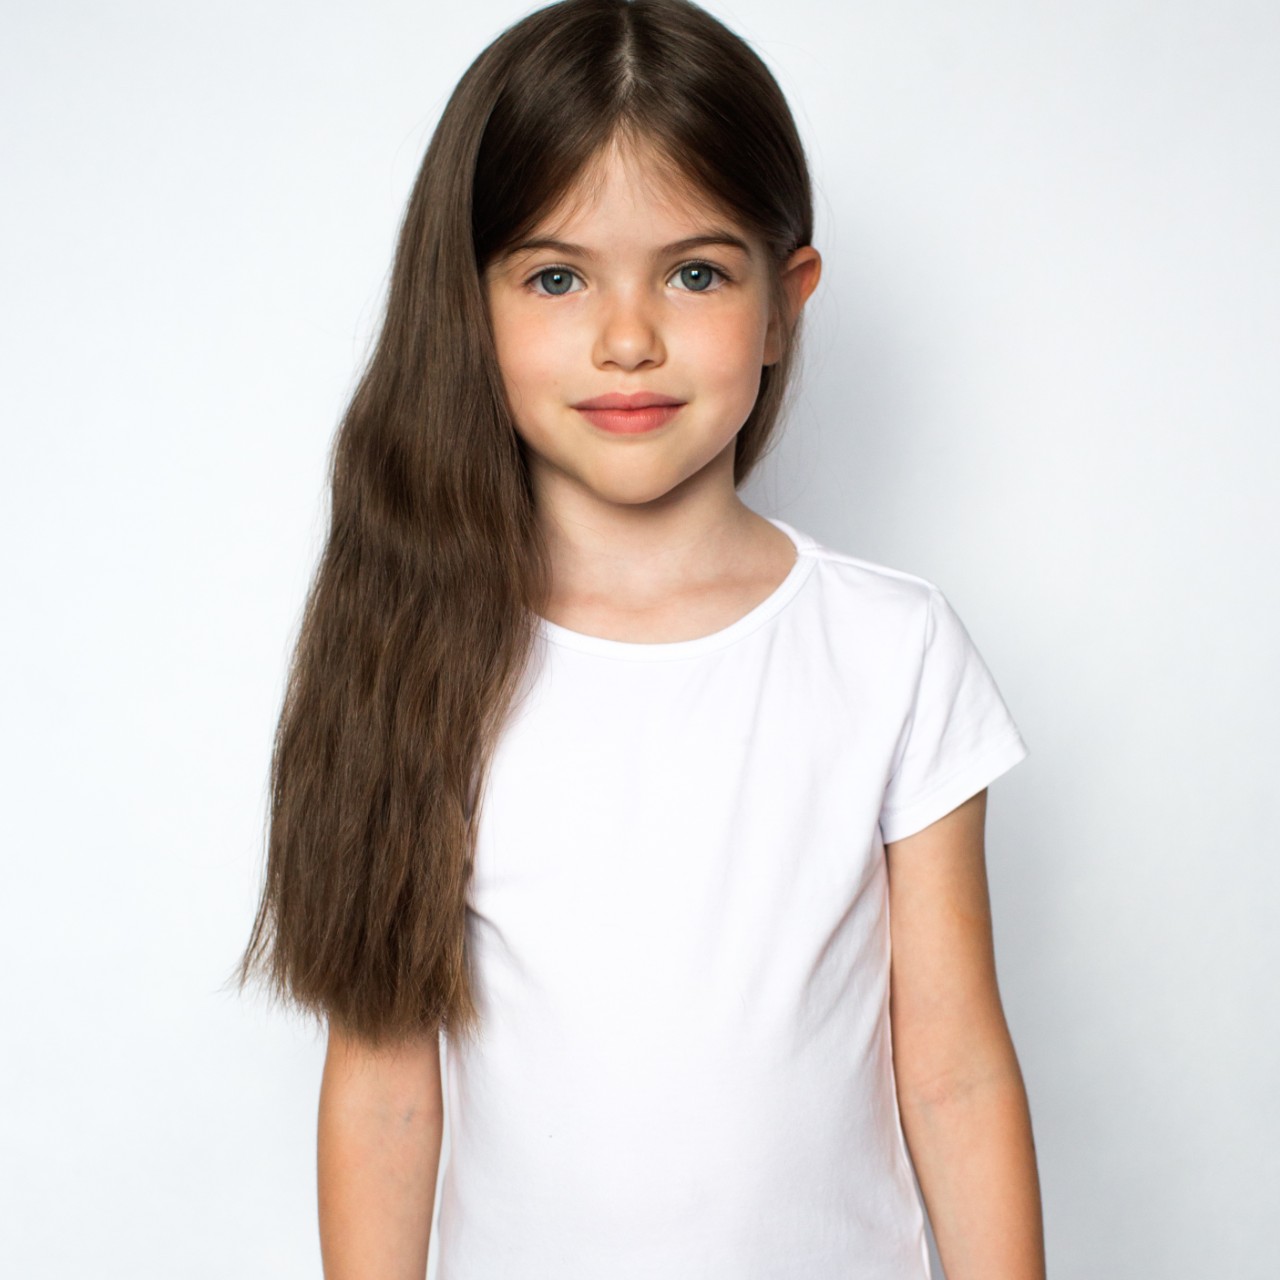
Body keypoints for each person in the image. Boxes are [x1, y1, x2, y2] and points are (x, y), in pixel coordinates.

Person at [234, 0, 1046, 1276]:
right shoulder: (417, 657)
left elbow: (951, 1070)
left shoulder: (893, 651)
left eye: (694, 272)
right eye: (557, 277)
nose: (627, 338)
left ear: (783, 304)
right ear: (469, 305)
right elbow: (386, 1088)